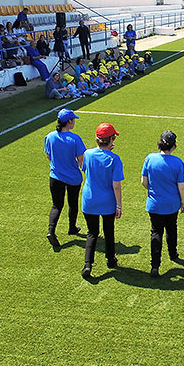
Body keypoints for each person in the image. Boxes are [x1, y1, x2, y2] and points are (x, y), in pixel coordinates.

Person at [142, 130, 184, 277]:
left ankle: (155, 265)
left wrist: (154, 191)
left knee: (156, 232)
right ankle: (173, 253)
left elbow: (144, 181)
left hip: (154, 204)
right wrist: (183, 203)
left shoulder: (150, 158)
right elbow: (181, 186)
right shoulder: (177, 163)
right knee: (171, 228)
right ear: (174, 146)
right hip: (172, 204)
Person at [81, 123, 123, 277]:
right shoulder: (115, 159)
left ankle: (88, 264)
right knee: (109, 231)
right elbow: (116, 186)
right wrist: (119, 205)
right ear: (111, 139)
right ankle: (111, 259)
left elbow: (85, 169)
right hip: (107, 202)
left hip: (89, 200)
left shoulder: (88, 154)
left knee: (92, 232)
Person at [44, 109, 87, 248]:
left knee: (57, 205)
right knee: (72, 203)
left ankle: (51, 231)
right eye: (73, 119)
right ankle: (72, 227)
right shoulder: (75, 139)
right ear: (69, 122)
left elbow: (48, 155)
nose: (74, 121)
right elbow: (82, 160)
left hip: (55, 177)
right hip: (73, 178)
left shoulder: (50, 136)